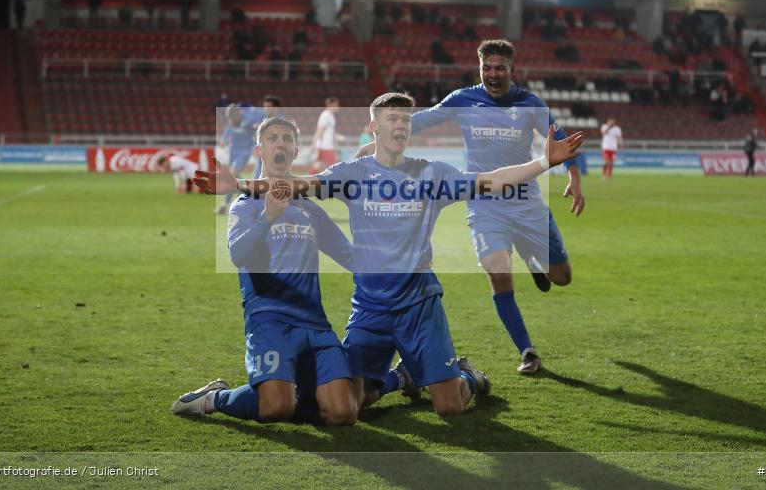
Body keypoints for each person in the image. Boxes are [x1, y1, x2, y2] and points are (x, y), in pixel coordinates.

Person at [194, 92, 584, 417]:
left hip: (418, 303)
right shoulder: (352, 174)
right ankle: (401, 378)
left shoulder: (433, 174)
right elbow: (298, 184)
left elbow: (490, 181)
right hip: (369, 308)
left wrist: (542, 162)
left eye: (406, 120)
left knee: (449, 407)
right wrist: (242, 184)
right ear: (374, 127)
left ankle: (468, 378)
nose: (401, 125)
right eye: (392, 119)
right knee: (354, 403)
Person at [353, 39, 586, 375]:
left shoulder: (530, 104)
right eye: (486, 68)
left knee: (562, 277)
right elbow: (417, 122)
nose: (493, 74)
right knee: (497, 270)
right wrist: (374, 145)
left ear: (512, 70)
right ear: (480, 69)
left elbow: (563, 144)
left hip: (527, 205)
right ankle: (527, 351)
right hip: (485, 202)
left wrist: (574, 179)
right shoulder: (463, 99)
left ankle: (534, 261)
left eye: (499, 68)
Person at [172, 118, 358, 425]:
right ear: (260, 149)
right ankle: (213, 398)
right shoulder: (245, 205)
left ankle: (294, 386)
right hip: (269, 318)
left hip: (314, 320)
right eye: (273, 138)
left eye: (287, 139)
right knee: (275, 409)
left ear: (296, 151)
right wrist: (268, 217)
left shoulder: (310, 208)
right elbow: (238, 254)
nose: (280, 143)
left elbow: (351, 256)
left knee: (344, 413)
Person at [217, 103, 264, 214]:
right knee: (232, 179)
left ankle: (241, 193)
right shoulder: (231, 124)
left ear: (237, 114)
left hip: (244, 152)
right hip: (233, 152)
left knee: (232, 174)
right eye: (229, 117)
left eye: (231, 117)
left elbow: (257, 128)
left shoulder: (247, 121)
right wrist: (223, 141)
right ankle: (228, 202)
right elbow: (225, 137)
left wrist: (257, 127)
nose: (230, 119)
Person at [309, 97, 341, 174]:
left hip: (326, 145)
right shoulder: (326, 116)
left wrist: (338, 136)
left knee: (320, 165)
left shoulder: (329, 115)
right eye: (336, 105)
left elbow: (329, 132)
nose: (338, 106)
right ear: (331, 105)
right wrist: (314, 143)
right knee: (333, 166)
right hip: (325, 146)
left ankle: (308, 180)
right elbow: (320, 130)